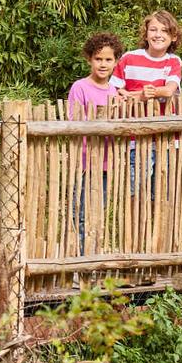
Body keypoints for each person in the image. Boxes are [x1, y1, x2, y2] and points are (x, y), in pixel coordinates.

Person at [67, 32, 125, 253]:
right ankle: (81, 260)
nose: (103, 64)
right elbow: (75, 122)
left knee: (98, 214)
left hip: (105, 164)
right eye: (98, 59)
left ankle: (94, 257)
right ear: (89, 59)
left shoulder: (115, 92)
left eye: (108, 59)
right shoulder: (80, 87)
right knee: (80, 214)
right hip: (83, 163)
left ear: (116, 62)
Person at [119, 10, 182, 193]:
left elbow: (169, 90)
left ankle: (163, 222)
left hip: (167, 138)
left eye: (164, 31)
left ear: (173, 37)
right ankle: (132, 222)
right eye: (153, 29)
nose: (158, 35)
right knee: (135, 191)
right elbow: (115, 91)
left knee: (164, 192)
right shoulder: (129, 58)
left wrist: (150, 92)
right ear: (146, 34)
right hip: (136, 137)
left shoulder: (173, 61)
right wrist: (140, 96)